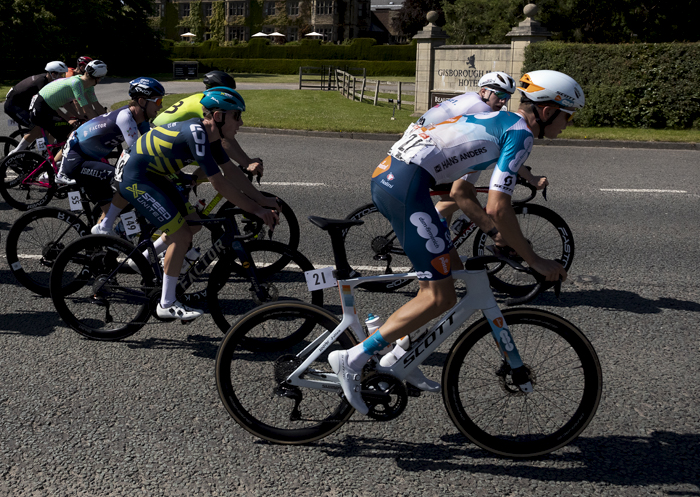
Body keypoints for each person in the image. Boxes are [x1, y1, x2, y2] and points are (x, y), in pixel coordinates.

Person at [329, 70, 584, 414]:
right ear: (549, 110)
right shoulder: (520, 133)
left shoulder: (498, 120)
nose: (568, 125)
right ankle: (352, 358)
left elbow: (462, 191)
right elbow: (498, 205)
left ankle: (401, 353)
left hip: (398, 178)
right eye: (568, 116)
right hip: (405, 187)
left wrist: (500, 234)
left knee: (457, 273)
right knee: (440, 295)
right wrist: (533, 259)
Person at [116, 87, 278, 321]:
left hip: (153, 175)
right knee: (181, 235)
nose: (241, 123)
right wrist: (257, 210)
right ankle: (167, 303)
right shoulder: (197, 134)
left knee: (193, 224)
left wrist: (262, 200)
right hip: (137, 178)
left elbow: (231, 171)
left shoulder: (210, 136)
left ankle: (139, 259)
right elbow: (219, 184)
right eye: (237, 116)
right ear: (219, 116)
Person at [418, 71, 548, 239]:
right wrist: (530, 177)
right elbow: (498, 149)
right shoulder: (482, 109)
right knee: (460, 194)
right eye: (500, 95)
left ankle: (442, 242)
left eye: (507, 97)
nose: (503, 101)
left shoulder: (471, 98)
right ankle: (424, 231)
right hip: (427, 152)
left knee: (465, 193)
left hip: (424, 146)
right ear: (484, 91)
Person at [58, 79, 164, 234]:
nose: (160, 106)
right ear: (142, 101)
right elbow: (138, 153)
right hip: (78, 161)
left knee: (110, 211)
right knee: (124, 183)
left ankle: (96, 245)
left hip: (90, 159)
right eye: (158, 101)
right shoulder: (125, 117)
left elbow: (151, 146)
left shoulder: (140, 119)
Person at [152, 70, 263, 177]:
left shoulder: (201, 98)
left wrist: (246, 160)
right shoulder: (207, 104)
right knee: (216, 157)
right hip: (160, 139)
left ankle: (189, 184)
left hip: (160, 133)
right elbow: (224, 140)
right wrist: (247, 162)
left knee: (215, 155)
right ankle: (190, 185)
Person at [30, 60, 108, 146]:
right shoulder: (77, 83)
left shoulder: (88, 85)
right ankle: (55, 159)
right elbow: (87, 109)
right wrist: (100, 126)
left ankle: (50, 155)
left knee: (70, 135)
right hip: (41, 108)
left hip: (47, 107)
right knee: (71, 138)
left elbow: (96, 105)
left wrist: (109, 120)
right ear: (98, 78)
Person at [3, 62, 68, 153]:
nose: (64, 77)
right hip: (13, 106)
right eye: (62, 74)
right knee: (38, 127)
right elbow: (50, 103)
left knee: (45, 126)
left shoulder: (46, 79)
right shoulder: (42, 82)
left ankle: (44, 152)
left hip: (24, 104)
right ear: (53, 74)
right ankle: (16, 152)